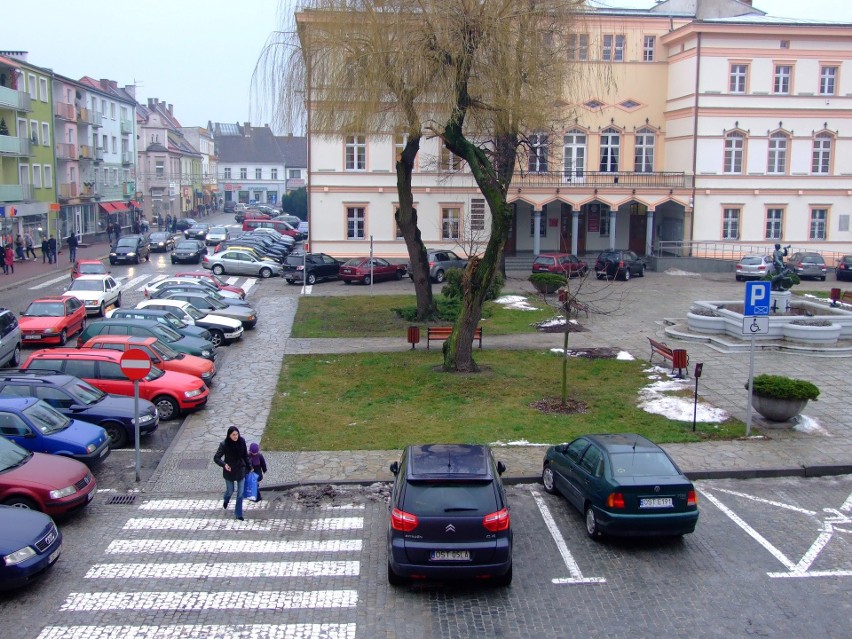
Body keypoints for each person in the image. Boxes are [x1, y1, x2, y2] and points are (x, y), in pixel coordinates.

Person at [213, 426, 251, 521]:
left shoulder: (242, 441)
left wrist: (249, 467)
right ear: (229, 435)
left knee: (240, 493)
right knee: (230, 490)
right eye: (233, 435)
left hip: (240, 469)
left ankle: (238, 513)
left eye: (237, 434)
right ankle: (226, 499)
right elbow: (216, 457)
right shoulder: (224, 444)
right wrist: (224, 465)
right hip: (229, 470)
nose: (235, 436)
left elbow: (245, 456)